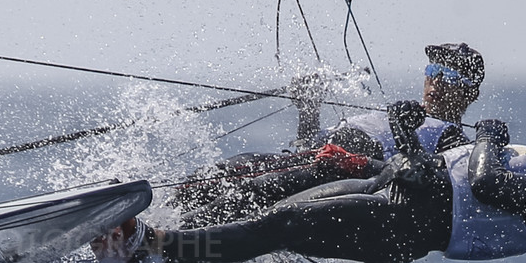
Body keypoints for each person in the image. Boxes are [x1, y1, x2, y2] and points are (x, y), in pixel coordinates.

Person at [98, 94, 526, 263]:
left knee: (278, 228)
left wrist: (485, 136)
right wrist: (403, 132)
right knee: (272, 220)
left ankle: (152, 251)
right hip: (394, 196)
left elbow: (482, 186)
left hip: (405, 227)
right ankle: (156, 251)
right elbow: (434, 175)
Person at [172, 42, 487, 226]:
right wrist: (309, 107)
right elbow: (307, 145)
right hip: (305, 159)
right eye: (433, 71)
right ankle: (154, 222)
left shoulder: (452, 140)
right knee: (215, 175)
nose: (436, 82)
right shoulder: (401, 111)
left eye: (449, 74)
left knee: (248, 190)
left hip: (335, 179)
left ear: (470, 92)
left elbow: (424, 184)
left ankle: (162, 240)